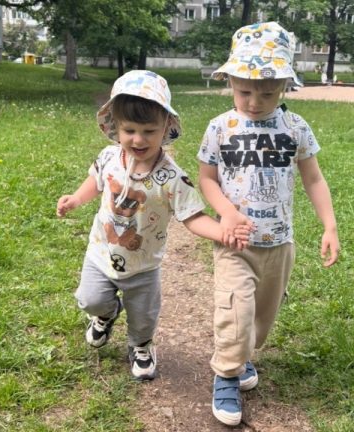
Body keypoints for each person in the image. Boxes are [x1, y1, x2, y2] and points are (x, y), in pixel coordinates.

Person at [56, 70, 252, 381]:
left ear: (165, 128)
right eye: (129, 130)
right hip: (101, 253)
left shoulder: (171, 177)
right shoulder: (109, 157)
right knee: (90, 299)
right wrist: (77, 199)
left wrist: (222, 232)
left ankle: (141, 345)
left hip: (143, 265)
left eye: (149, 131)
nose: (138, 139)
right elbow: (95, 181)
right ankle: (107, 314)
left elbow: (192, 216)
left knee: (143, 317)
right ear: (116, 127)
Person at [199, 22, 339, 426]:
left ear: (284, 87)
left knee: (260, 319)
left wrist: (329, 226)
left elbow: (314, 179)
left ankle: (242, 355)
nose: (254, 102)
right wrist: (227, 213)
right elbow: (207, 179)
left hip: (279, 245)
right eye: (245, 91)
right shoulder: (220, 127)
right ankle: (226, 374)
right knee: (236, 312)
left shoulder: (295, 128)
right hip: (235, 243)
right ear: (230, 82)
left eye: (267, 93)